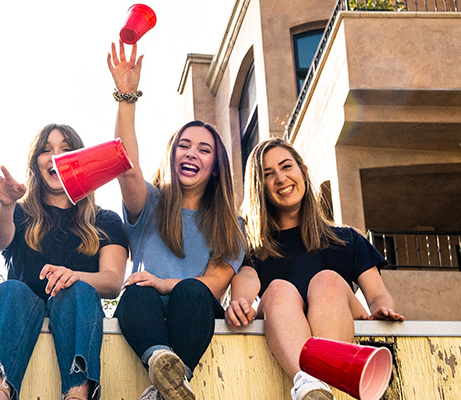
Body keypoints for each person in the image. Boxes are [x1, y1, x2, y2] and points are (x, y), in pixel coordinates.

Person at [107, 42, 245, 400]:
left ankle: (168, 379)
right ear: (173, 153)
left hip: (193, 315)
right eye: (184, 145)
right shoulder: (152, 203)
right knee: (137, 290)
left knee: (191, 290)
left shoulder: (232, 226)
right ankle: (167, 375)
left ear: (216, 168)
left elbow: (213, 286)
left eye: (204, 149)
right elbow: (125, 168)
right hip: (143, 316)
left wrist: (163, 282)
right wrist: (126, 97)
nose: (191, 154)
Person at [224, 138, 404, 400]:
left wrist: (381, 309)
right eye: (268, 174)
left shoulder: (348, 239)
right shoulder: (254, 249)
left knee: (327, 280)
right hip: (282, 322)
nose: (281, 178)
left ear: (304, 172)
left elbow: (377, 294)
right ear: (259, 188)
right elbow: (246, 283)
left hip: (340, 321)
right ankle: (311, 386)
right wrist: (240, 302)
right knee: (278, 289)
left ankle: (314, 382)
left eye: (286, 167)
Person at [0, 124, 128, 400]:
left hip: (75, 314)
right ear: (36, 163)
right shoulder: (20, 213)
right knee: (10, 289)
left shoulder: (105, 220)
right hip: (19, 312)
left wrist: (74, 275)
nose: (56, 156)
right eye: (47, 150)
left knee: (78, 291)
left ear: (80, 159)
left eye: (66, 150)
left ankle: (78, 393)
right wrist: (6, 205)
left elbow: (113, 281)